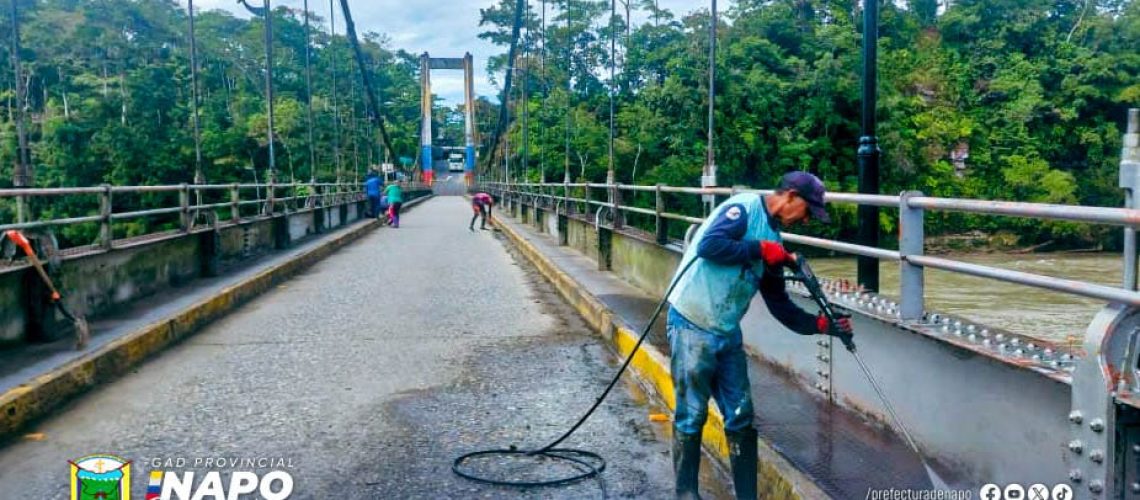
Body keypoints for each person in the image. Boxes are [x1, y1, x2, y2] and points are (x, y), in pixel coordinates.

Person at [666, 171, 853, 499]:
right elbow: (710, 245)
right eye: (807, 211)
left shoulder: (776, 246)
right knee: (692, 414)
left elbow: (780, 306)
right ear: (791, 196)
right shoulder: (743, 208)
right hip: (691, 323)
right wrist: (758, 248)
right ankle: (686, 494)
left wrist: (821, 326)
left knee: (741, 417)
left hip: (726, 331)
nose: (806, 220)